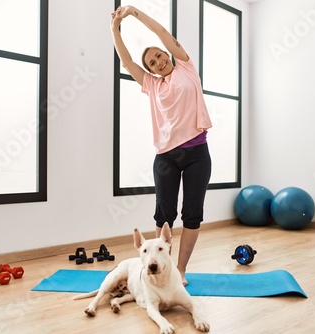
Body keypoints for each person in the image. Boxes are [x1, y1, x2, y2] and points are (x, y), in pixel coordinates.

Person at [111, 6, 212, 285]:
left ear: (167, 55)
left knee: (192, 214)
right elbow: (126, 60)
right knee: (164, 215)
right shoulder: (152, 85)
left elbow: (163, 34)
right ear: (151, 71)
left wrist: (135, 14)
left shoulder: (186, 68)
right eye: (152, 63)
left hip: (197, 154)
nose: (157, 62)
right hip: (166, 157)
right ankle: (159, 267)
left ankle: (180, 270)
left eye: (159, 56)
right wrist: (114, 30)